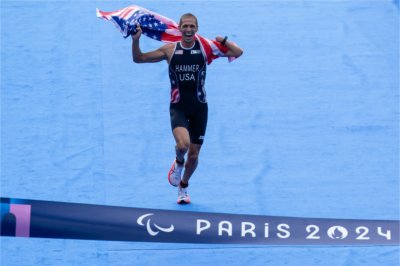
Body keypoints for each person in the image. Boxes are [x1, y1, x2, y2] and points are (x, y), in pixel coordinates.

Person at [131, 13, 243, 204]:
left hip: (200, 108)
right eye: (186, 27)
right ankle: (178, 161)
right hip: (179, 107)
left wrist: (222, 40)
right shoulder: (170, 50)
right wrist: (135, 41)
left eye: (192, 27)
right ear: (180, 28)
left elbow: (237, 52)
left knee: (194, 155)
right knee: (183, 146)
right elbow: (139, 58)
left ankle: (183, 186)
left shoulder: (206, 48)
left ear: (196, 29)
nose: (189, 30)